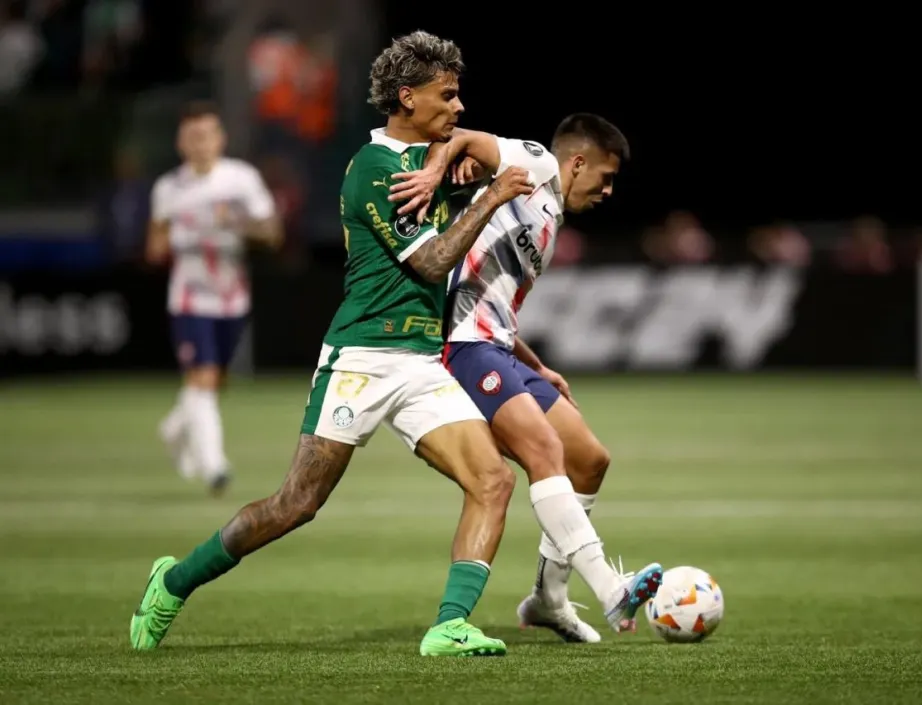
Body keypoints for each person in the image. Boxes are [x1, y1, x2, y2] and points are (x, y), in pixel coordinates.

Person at [131, 31, 536, 659]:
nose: (459, 108)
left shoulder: (428, 165)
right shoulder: (374, 169)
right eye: (447, 95)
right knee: (296, 504)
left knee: (492, 480)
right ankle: (174, 581)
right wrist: (488, 196)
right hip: (363, 360)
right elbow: (431, 261)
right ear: (408, 97)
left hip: (423, 363)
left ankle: (449, 625)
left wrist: (461, 173)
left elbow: (486, 178)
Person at [388, 114, 662, 642]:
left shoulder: (549, 219)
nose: (608, 191)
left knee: (589, 458)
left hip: (498, 349)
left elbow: (495, 303)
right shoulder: (535, 163)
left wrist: (538, 368)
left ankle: (547, 600)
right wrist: (432, 172)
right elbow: (465, 138)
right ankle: (610, 589)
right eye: (604, 177)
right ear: (576, 162)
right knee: (542, 449)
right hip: (460, 347)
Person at [147, 101, 283, 495]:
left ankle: (175, 429)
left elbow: (272, 234)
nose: (200, 144)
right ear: (180, 143)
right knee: (203, 377)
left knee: (213, 380)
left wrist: (234, 223)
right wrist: (183, 238)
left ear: (220, 139)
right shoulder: (169, 188)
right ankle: (214, 467)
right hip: (190, 298)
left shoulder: (240, 180)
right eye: (192, 137)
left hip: (232, 297)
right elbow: (153, 249)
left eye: (206, 135)